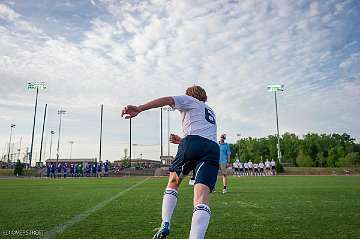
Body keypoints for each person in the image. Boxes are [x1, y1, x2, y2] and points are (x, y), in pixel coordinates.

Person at [122, 85, 219, 239]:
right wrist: (182, 140)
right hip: (212, 149)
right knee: (201, 197)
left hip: (192, 142)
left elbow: (167, 100)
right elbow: (204, 137)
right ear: (204, 98)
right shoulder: (210, 110)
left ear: (190, 95)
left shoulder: (189, 99)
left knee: (174, 181)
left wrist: (140, 108)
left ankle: (165, 223)